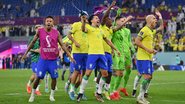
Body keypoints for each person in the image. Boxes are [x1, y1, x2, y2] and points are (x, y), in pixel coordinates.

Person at [22, 16, 75, 102]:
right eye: (47, 21)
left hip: (53, 61)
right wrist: (25, 53)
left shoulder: (56, 33)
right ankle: (32, 94)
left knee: (54, 78)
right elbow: (32, 42)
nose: (49, 22)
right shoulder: (40, 31)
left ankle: (52, 95)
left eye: (50, 21)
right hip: (43, 60)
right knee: (38, 77)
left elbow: (62, 45)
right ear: (45, 23)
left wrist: (70, 56)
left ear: (53, 23)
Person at [77, 14, 120, 102]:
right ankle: (80, 93)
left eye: (98, 18)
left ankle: (99, 93)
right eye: (96, 18)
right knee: (88, 73)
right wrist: (84, 22)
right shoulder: (88, 28)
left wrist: (116, 49)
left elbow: (107, 40)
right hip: (92, 54)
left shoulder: (100, 30)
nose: (98, 19)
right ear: (91, 20)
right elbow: (83, 29)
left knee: (105, 74)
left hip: (102, 54)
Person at [135, 10, 163, 104]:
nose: (156, 20)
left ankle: (142, 96)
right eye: (154, 19)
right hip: (143, 57)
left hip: (148, 57)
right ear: (149, 20)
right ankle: (140, 97)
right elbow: (137, 41)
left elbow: (162, 27)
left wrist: (160, 17)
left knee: (150, 77)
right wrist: (148, 49)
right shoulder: (144, 30)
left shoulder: (151, 31)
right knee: (147, 77)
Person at [109, 16, 134, 100]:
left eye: (124, 21)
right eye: (122, 21)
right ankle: (111, 92)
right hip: (116, 54)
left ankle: (115, 91)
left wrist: (131, 47)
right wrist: (112, 50)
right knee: (115, 73)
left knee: (120, 74)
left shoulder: (124, 31)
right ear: (116, 22)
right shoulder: (113, 28)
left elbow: (127, 41)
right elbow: (110, 40)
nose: (124, 22)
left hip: (122, 54)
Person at [67, 11, 89, 100]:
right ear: (80, 17)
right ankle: (71, 90)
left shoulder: (89, 26)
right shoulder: (75, 24)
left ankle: (80, 91)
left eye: (86, 16)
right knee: (76, 71)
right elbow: (69, 35)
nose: (85, 17)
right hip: (78, 52)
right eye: (83, 16)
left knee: (84, 74)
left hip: (87, 52)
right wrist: (75, 42)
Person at [26, 25, 42, 96]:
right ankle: (29, 84)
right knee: (35, 74)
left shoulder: (43, 38)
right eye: (37, 29)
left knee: (41, 75)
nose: (38, 30)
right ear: (35, 30)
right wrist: (35, 50)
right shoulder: (32, 39)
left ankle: (37, 89)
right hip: (35, 59)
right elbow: (28, 48)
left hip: (42, 59)